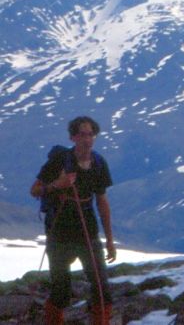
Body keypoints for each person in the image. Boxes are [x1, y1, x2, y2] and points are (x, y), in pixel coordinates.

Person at [30, 116, 117, 325]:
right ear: (73, 137)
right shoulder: (59, 161)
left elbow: (102, 202)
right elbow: (35, 190)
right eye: (82, 134)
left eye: (90, 134)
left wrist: (110, 240)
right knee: (61, 291)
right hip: (59, 231)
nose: (87, 139)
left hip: (88, 229)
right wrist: (57, 185)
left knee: (101, 287)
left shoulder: (98, 163)